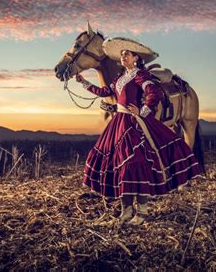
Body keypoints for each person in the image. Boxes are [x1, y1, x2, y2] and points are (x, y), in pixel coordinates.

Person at [76, 37, 203, 225]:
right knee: (119, 164)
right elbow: (105, 93)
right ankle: (126, 210)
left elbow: (155, 93)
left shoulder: (140, 75)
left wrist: (142, 111)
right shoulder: (119, 78)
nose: (123, 57)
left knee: (136, 163)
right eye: (121, 54)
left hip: (134, 123)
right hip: (118, 124)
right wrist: (84, 82)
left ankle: (142, 211)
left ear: (135, 57)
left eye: (126, 54)